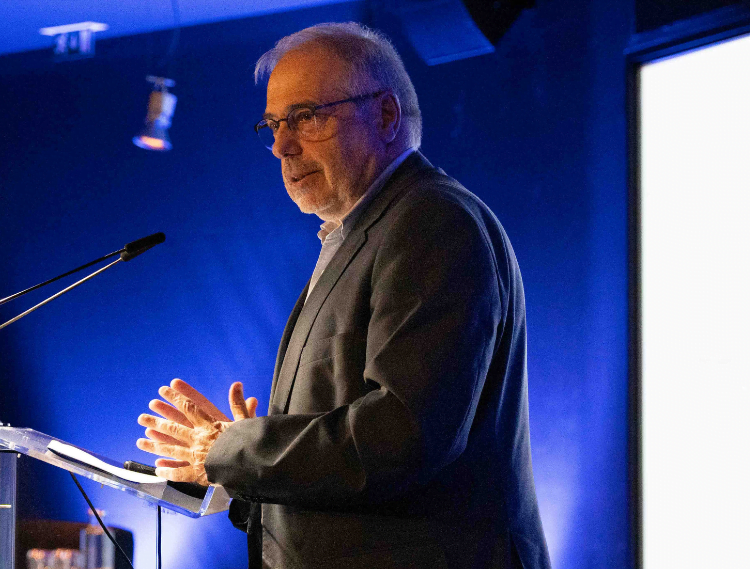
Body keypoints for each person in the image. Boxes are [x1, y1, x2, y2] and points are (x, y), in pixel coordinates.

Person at [134, 22, 551, 569]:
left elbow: (402, 435)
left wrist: (235, 448)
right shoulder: (361, 234)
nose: (281, 145)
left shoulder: (431, 222)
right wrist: (237, 469)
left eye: (306, 117)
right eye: (273, 124)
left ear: (385, 115)